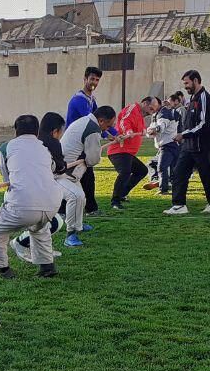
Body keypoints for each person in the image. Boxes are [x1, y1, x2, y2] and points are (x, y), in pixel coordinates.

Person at [0, 114, 63, 279]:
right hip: (52, 203)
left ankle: (3, 270)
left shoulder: (6, 147)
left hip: (23, 203)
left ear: (15, 131)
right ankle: (47, 266)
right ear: (37, 131)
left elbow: (7, 179)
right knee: (39, 227)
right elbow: (53, 168)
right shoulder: (44, 147)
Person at [164, 71, 210, 216]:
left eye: (187, 83)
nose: (185, 87)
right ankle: (179, 205)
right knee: (178, 173)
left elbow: (204, 124)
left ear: (196, 80)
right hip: (188, 146)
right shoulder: (192, 98)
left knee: (206, 176)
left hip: (202, 146)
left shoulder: (204, 98)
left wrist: (183, 134)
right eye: (184, 84)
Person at [59, 106, 116, 246]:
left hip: (69, 170)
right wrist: (95, 156)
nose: (106, 129)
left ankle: (78, 225)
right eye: (108, 125)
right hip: (63, 173)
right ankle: (70, 235)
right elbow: (92, 160)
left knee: (81, 197)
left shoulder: (85, 122)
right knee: (76, 196)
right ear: (101, 121)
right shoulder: (93, 130)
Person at [65, 66, 105, 212]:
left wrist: (113, 134)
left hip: (83, 144)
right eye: (92, 79)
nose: (94, 82)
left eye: (97, 80)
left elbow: (101, 118)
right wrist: (108, 134)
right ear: (85, 79)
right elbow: (93, 122)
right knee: (71, 178)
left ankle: (90, 207)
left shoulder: (91, 99)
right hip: (74, 146)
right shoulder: (79, 100)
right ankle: (65, 210)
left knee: (86, 177)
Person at [106, 102, 147, 210]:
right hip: (119, 150)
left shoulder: (140, 116)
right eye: (151, 108)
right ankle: (115, 201)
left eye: (153, 110)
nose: (151, 112)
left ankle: (122, 194)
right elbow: (124, 121)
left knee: (142, 170)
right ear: (145, 103)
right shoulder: (133, 108)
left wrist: (144, 131)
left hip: (127, 152)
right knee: (125, 172)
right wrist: (128, 131)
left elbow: (139, 129)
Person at [145, 95, 181, 195]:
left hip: (168, 145)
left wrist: (153, 130)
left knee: (161, 167)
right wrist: (151, 131)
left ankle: (163, 189)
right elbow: (151, 131)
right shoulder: (157, 114)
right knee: (169, 168)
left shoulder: (163, 113)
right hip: (170, 144)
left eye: (152, 105)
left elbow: (160, 127)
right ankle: (170, 186)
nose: (150, 108)